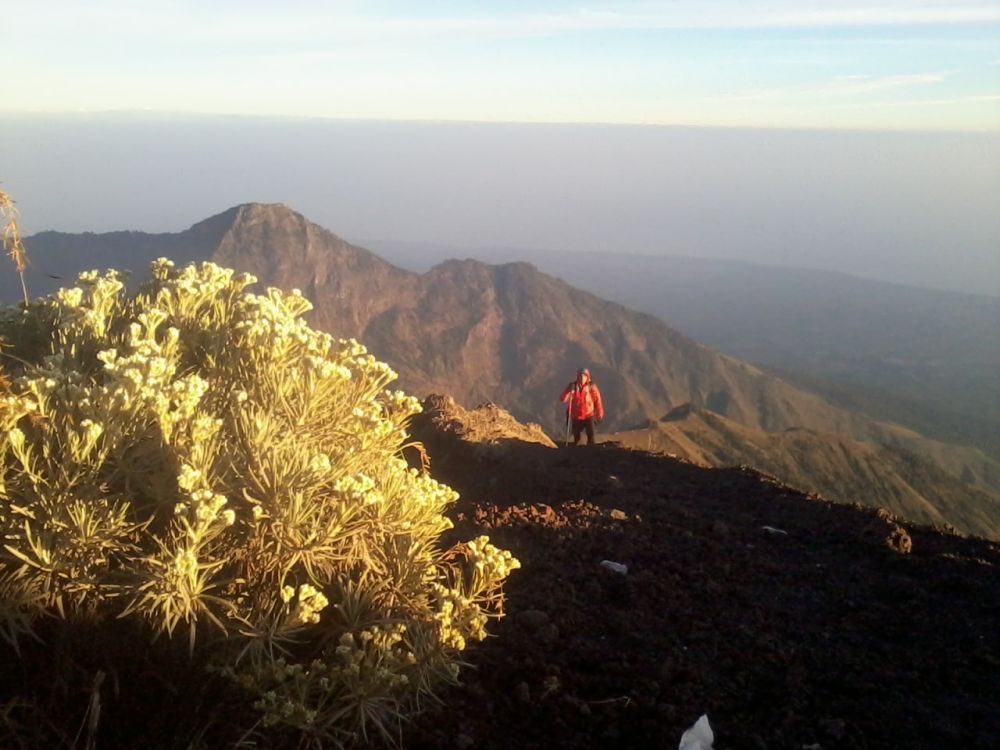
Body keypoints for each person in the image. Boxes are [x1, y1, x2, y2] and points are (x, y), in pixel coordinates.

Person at [560, 368, 604, 446]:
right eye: (580, 376)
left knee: (591, 436)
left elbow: (598, 401)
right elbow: (563, 399)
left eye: (584, 376)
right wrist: (568, 391)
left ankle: (590, 450)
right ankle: (577, 451)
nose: (582, 378)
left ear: (587, 377)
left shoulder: (591, 387)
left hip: (588, 415)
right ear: (577, 377)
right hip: (576, 416)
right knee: (576, 437)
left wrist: (599, 414)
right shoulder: (573, 387)